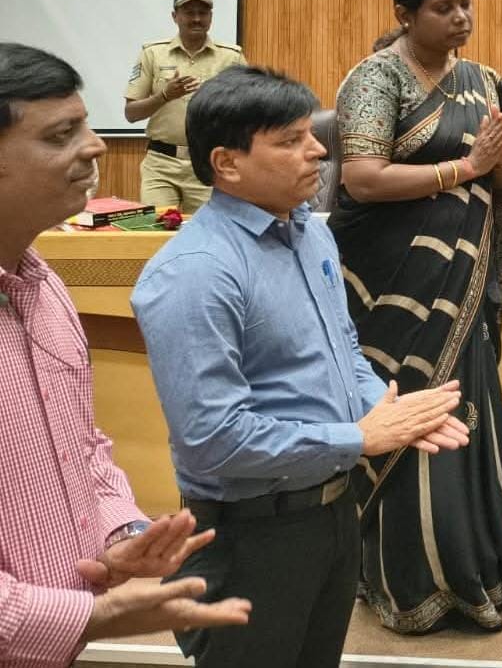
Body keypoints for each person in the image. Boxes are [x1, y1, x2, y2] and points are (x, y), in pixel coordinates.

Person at [132, 66, 468, 667]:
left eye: (311, 133)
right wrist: (360, 438)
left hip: (333, 514)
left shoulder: (311, 235)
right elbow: (213, 439)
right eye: (290, 140)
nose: (318, 150)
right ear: (227, 163)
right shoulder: (196, 272)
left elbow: (342, 353)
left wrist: (382, 406)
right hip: (249, 532)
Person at [0, 42, 250, 668]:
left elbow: (79, 444)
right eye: (60, 134)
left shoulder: (44, 287)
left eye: (85, 125)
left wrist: (121, 531)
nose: (95, 146)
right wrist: (92, 616)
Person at [331, 0, 502, 634]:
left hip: (461, 288)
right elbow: (362, 179)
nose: (461, 18)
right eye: (443, 7)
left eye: (465, 3)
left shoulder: (483, 81)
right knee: (405, 422)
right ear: (404, 14)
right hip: (391, 287)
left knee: (468, 419)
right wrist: (467, 166)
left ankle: (480, 569)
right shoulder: (376, 77)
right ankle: (407, 582)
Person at [123, 0, 247, 213]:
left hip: (209, 163)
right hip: (161, 164)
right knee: (157, 228)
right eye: (189, 13)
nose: (197, 19)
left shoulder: (231, 57)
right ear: (175, 16)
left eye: (203, 13)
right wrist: (164, 96)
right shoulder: (153, 54)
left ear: (211, 17)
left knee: (208, 231)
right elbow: (131, 114)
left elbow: (250, 112)